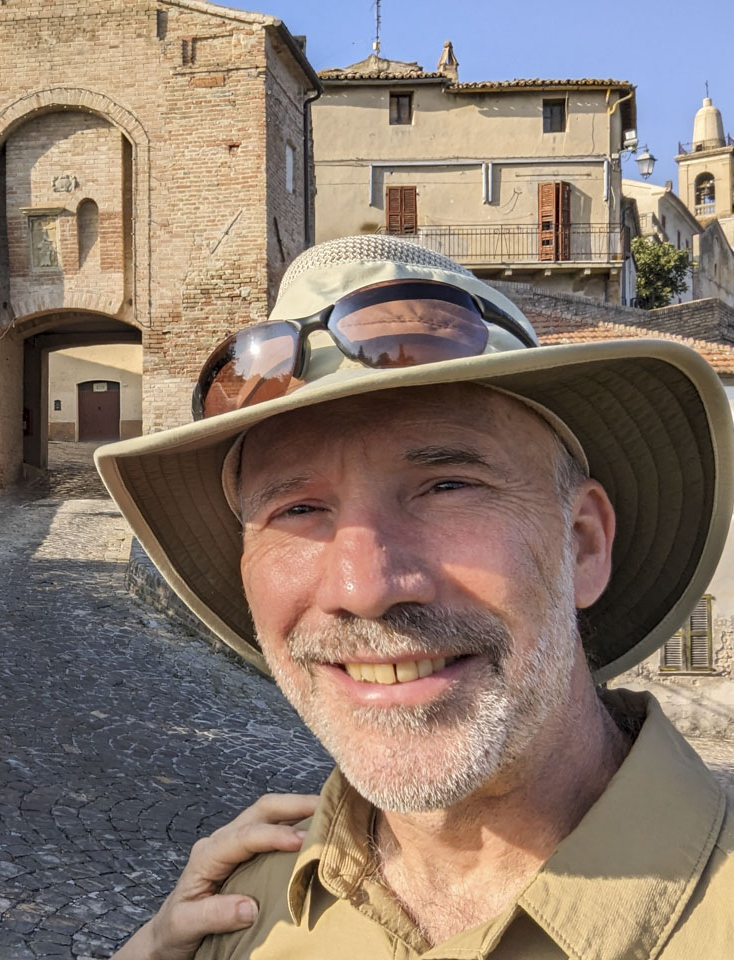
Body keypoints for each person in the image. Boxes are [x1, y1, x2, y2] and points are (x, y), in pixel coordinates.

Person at [95, 235, 734, 958]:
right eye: (297, 510)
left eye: (448, 486)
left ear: (583, 543)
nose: (363, 589)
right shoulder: (237, 917)